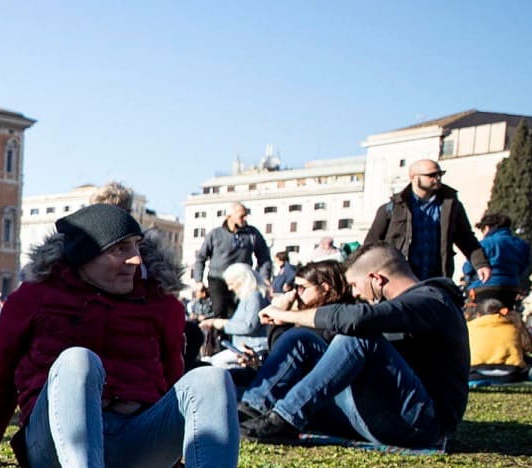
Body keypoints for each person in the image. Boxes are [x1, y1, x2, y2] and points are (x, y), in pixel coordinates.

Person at [0, 204, 256, 468]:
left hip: (137, 447)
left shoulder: (161, 305)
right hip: (55, 447)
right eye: (119, 249)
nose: (135, 259)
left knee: (210, 379)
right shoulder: (33, 298)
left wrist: (183, 459)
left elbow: (173, 382)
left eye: (136, 246)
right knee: (77, 360)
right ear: (84, 255)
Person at [243, 245, 469, 450]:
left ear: (376, 279)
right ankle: (251, 410)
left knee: (359, 338)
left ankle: (283, 420)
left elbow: (355, 321)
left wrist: (283, 313)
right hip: (386, 412)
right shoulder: (407, 306)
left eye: (354, 285)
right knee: (301, 339)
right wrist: (285, 323)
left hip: (421, 424)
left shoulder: (432, 301)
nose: (355, 293)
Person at [363, 159, 486, 287]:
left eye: (440, 174)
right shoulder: (391, 208)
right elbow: (371, 244)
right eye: (431, 175)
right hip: (400, 280)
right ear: (414, 178)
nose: (438, 178)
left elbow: (466, 239)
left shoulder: (451, 206)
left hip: (437, 280)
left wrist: (481, 264)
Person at [190, 203, 272, 319]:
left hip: (242, 281)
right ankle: (217, 336)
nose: (245, 219)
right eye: (241, 216)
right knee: (219, 310)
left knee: (239, 312)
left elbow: (264, 256)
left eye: (246, 215)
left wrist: (264, 277)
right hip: (218, 279)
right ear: (229, 216)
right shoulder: (215, 234)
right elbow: (201, 258)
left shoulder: (252, 234)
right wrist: (198, 280)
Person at [198, 262, 268, 355]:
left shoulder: (254, 297)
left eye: (232, 283)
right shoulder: (247, 297)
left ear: (243, 280)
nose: (230, 288)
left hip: (253, 349)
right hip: (245, 348)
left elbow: (249, 326)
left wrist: (222, 324)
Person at [468, 295, 532, 379]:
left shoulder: (469, 327)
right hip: (511, 374)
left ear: (478, 314)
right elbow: (530, 347)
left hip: (475, 372)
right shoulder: (515, 326)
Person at [468, 212, 529, 300]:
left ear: (488, 227)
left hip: (484, 287)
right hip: (511, 287)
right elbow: (524, 266)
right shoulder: (522, 244)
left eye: (483, 229)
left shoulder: (485, 243)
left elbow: (469, 267)